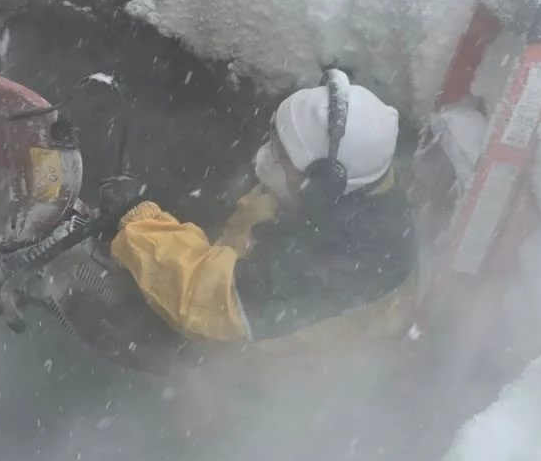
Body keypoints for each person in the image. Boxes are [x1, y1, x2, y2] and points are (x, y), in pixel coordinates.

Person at [107, 72, 417, 347]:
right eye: (274, 143)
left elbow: (210, 303)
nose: (267, 157)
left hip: (279, 362)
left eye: (281, 157)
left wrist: (139, 221)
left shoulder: (350, 261)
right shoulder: (351, 189)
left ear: (321, 185)